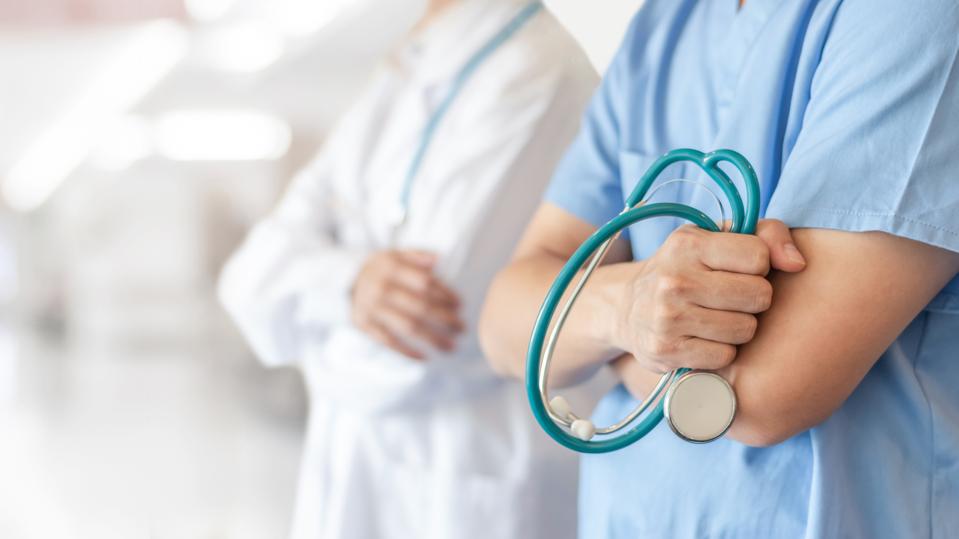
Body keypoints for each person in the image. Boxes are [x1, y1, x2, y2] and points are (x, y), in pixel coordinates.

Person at [479, 0, 959, 537]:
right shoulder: (664, 23)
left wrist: (603, 330)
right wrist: (628, 309)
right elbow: (503, 327)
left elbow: (755, 398)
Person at [218, 0, 596, 537]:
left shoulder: (536, 68)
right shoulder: (408, 61)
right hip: (364, 459)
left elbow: (424, 333)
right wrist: (349, 287)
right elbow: (248, 278)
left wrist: (312, 317)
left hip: (469, 461)